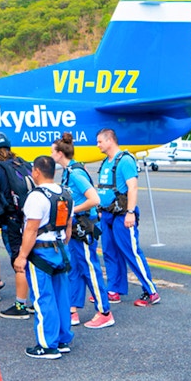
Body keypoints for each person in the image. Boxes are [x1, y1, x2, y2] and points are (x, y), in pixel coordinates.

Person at [13, 155, 73, 359]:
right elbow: (68, 226)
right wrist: (62, 244)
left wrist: (22, 256)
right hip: (60, 250)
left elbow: (30, 230)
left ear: (37, 171)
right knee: (61, 297)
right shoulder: (66, 193)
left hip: (41, 252)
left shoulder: (36, 197)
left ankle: (47, 345)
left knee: (42, 298)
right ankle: (63, 339)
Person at [53, 133, 114, 329]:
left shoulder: (75, 174)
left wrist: (72, 210)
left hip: (83, 226)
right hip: (75, 226)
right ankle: (72, 309)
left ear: (60, 153)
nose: (50, 154)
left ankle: (104, 311)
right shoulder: (68, 171)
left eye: (52, 151)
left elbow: (94, 199)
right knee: (74, 268)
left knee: (89, 268)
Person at [95, 128, 161, 306]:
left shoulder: (125, 160)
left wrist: (130, 212)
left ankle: (151, 291)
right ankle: (114, 289)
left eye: (100, 141)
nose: (98, 145)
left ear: (110, 140)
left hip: (122, 215)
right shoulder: (106, 162)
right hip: (107, 214)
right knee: (110, 253)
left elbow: (132, 187)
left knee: (131, 252)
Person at [0, 132, 35, 320]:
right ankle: (34, 301)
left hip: (12, 222)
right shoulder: (22, 164)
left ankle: (21, 305)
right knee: (31, 260)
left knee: (18, 261)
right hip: (30, 220)